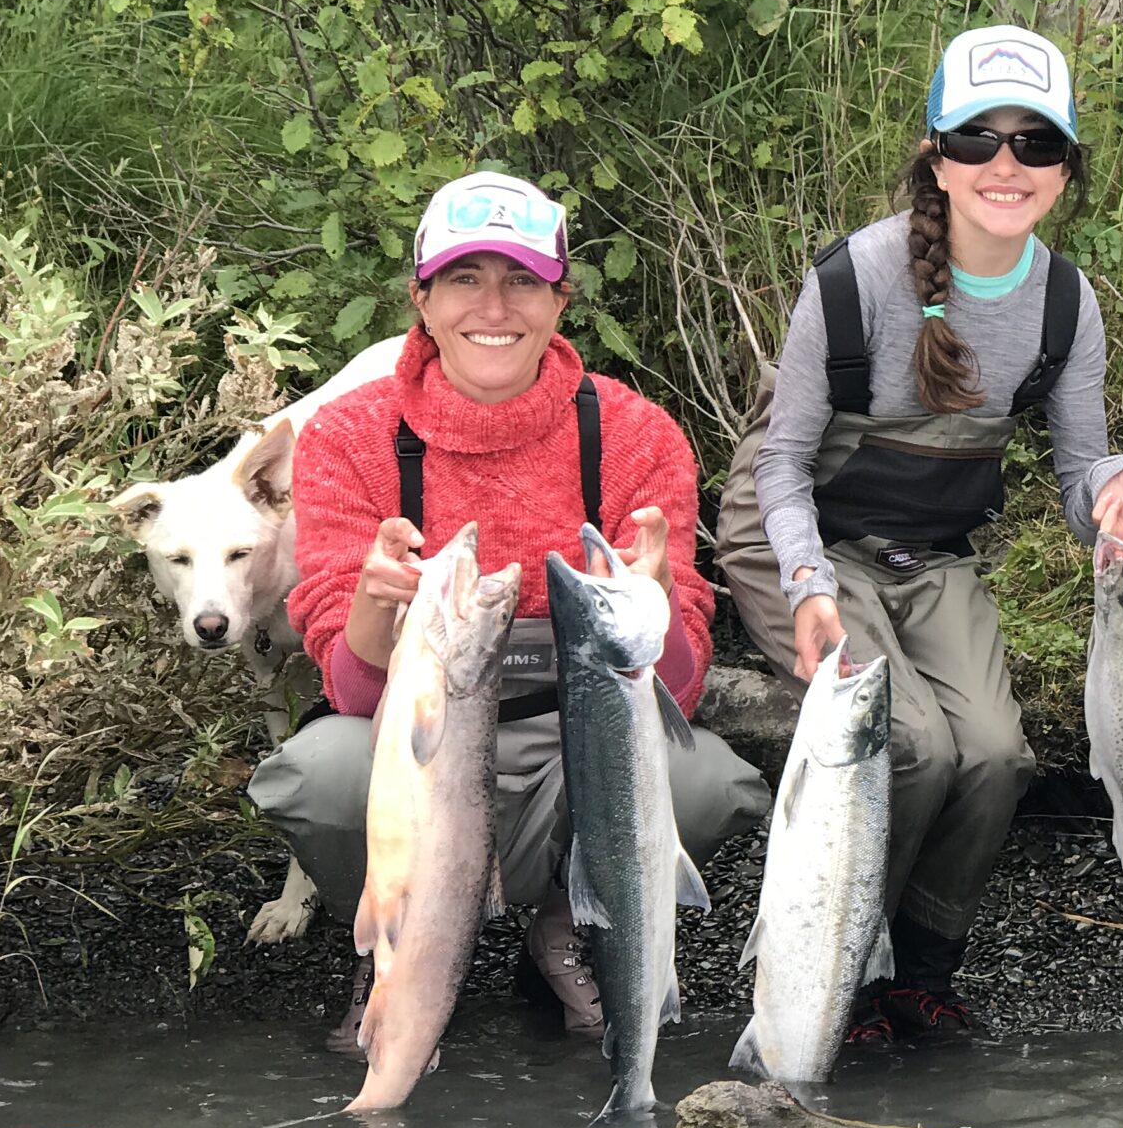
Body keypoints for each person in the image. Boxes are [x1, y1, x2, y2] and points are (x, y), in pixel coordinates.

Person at [251, 171, 770, 1049]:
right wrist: (377, 604)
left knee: (710, 781)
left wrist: (652, 610)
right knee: (315, 771)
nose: (494, 305)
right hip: (416, 744)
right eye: (464, 278)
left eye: (522, 279)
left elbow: (678, 686)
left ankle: (569, 931)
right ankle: (394, 947)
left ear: (560, 298)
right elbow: (349, 689)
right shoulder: (345, 436)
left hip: (579, 748)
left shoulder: (638, 433)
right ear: (421, 297)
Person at [716, 23, 1123, 1045]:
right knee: (905, 744)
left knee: (995, 755)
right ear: (936, 158)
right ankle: (842, 964)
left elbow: (1075, 472)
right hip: (805, 532)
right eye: (977, 141)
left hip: (931, 553)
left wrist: (1114, 498)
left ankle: (924, 965)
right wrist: (808, 583)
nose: (1006, 165)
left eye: (1035, 144)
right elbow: (779, 465)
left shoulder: (1065, 303)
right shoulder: (851, 280)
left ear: (1065, 169)